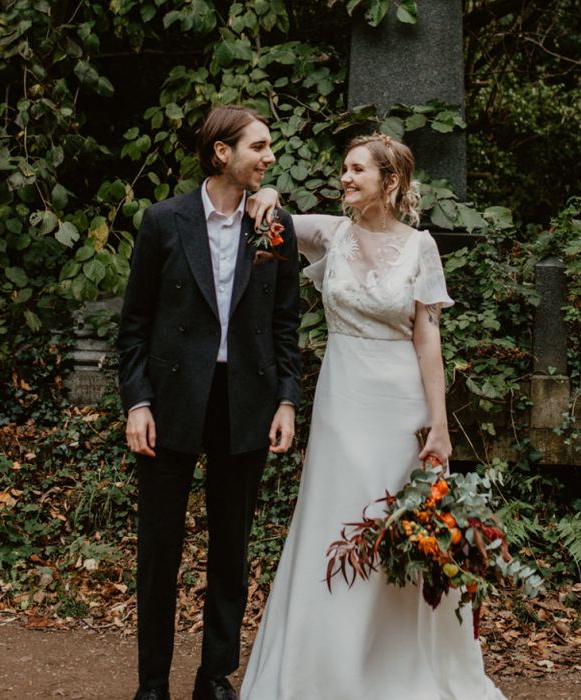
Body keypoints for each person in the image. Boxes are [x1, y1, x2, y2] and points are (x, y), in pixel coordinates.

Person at [241, 133, 506, 699]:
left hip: (399, 403)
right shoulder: (331, 234)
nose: (345, 178)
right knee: (332, 522)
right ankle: (323, 670)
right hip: (343, 402)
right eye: (343, 169)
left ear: (390, 182)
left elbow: (428, 337)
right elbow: (275, 210)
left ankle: (395, 666)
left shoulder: (420, 248)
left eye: (357, 170)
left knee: (395, 530)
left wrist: (438, 423)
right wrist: (268, 196)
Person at [117, 105, 301, 700]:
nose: (269, 158)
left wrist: (287, 401)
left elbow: (285, 323)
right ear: (222, 152)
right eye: (260, 147)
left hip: (245, 398)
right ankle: (152, 683)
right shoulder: (163, 221)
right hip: (170, 399)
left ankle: (214, 676)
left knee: (231, 546)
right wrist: (137, 402)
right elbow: (135, 322)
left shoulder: (275, 225)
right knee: (159, 548)